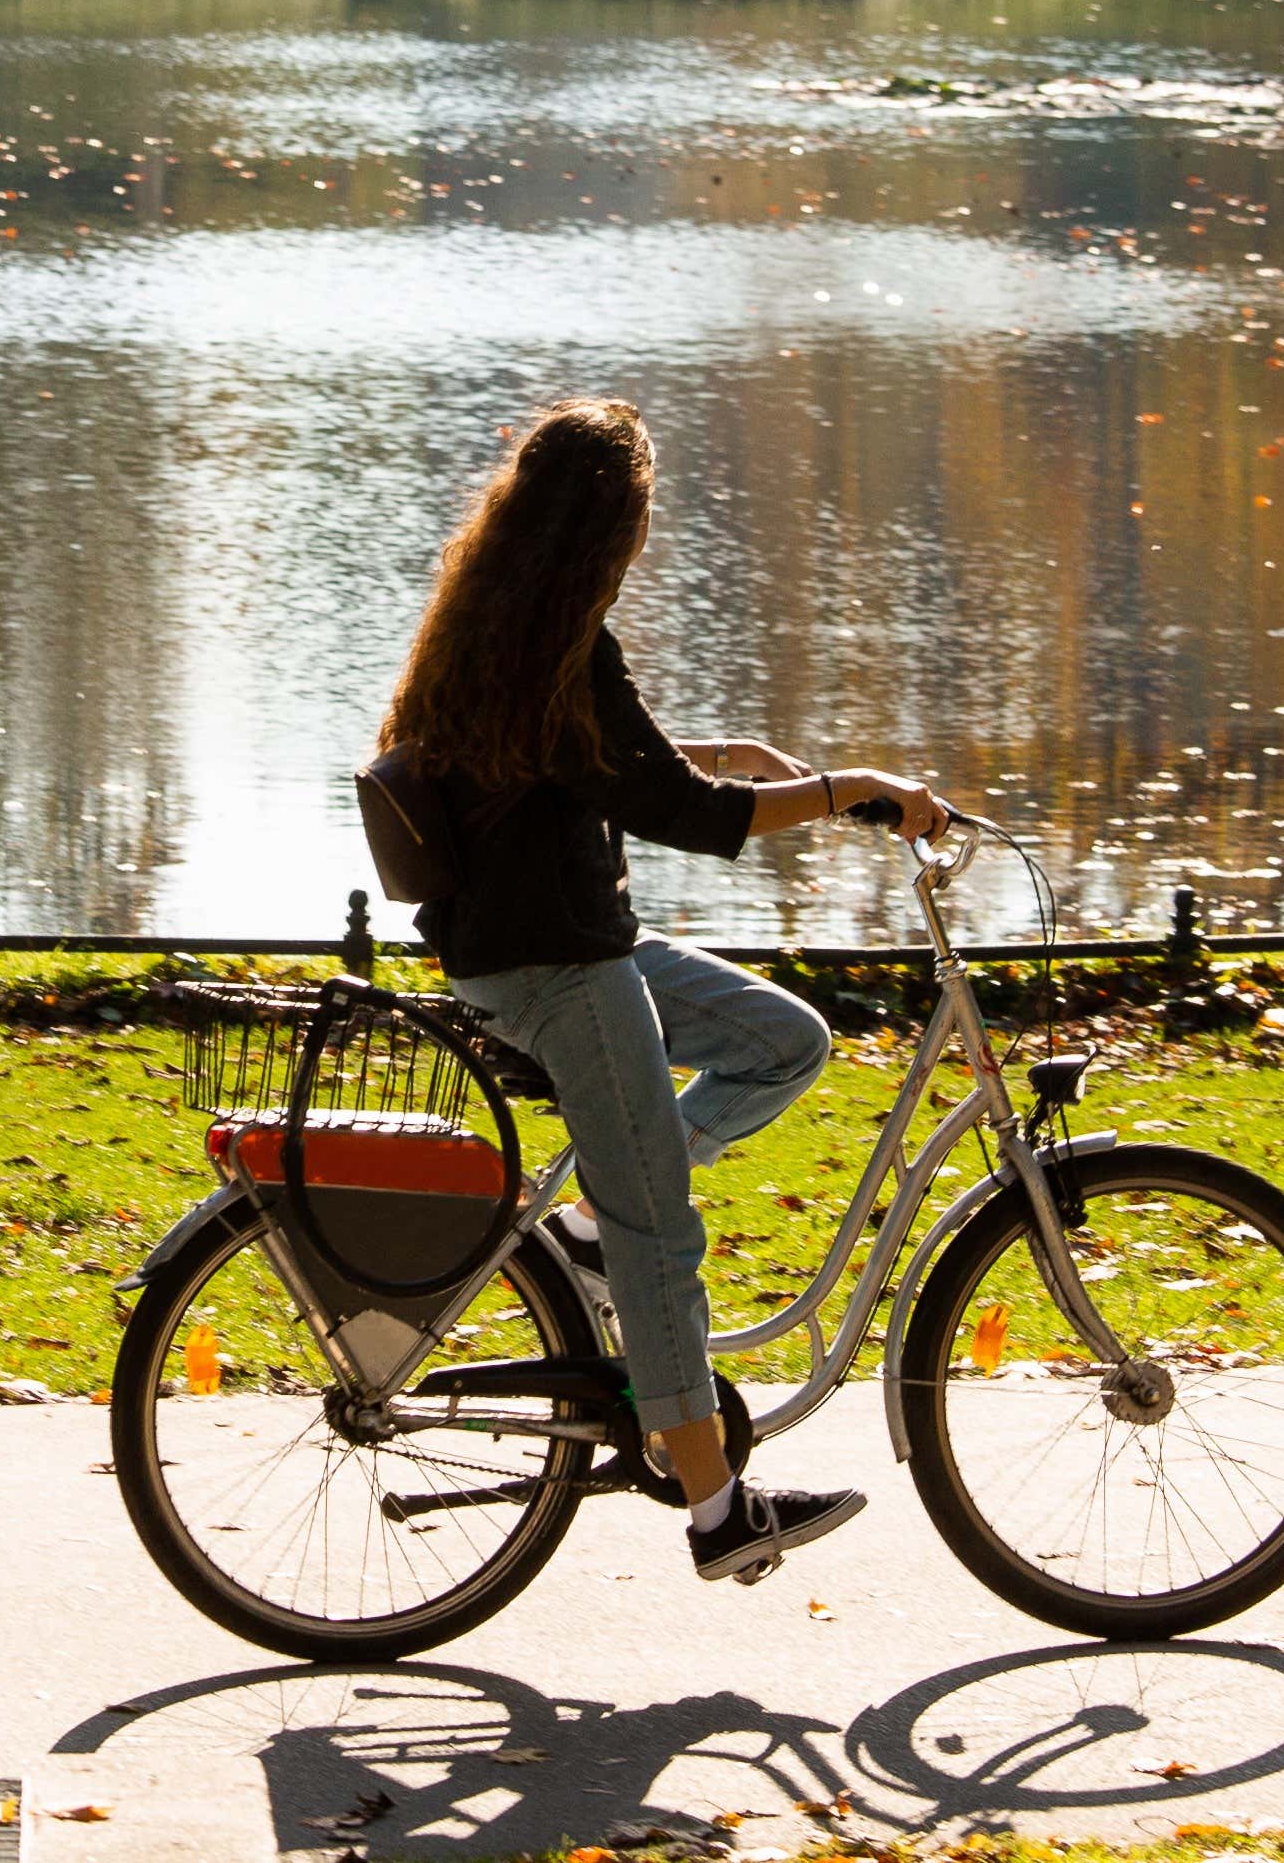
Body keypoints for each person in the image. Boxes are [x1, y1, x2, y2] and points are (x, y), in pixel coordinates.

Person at [367, 397, 951, 1588]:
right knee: (662, 1233)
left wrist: (729, 754)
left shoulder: (502, 618)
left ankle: (580, 1229)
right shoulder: (563, 639)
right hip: (562, 970)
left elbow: (615, 771)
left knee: (783, 1039)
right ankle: (715, 1505)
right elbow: (688, 815)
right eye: (641, 516)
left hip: (555, 947)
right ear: (607, 527)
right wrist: (858, 786)